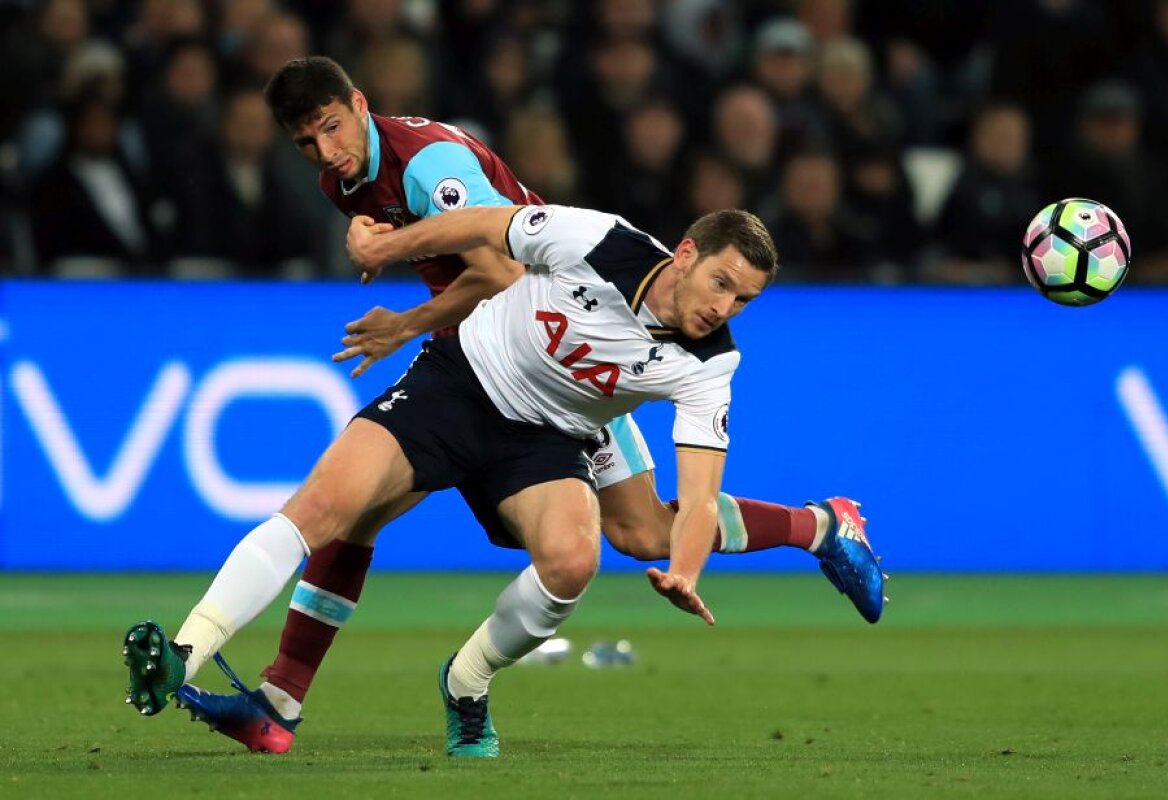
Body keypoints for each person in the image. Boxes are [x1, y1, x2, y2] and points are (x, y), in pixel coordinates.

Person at [125, 56, 886, 754]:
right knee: (336, 506)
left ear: (359, 105)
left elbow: (495, 268)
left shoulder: (434, 168)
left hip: (566, 403)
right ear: (684, 256)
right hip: (478, 369)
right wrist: (401, 275)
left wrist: (400, 315)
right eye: (307, 140)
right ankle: (228, 673)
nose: (324, 151)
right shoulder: (376, 184)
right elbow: (492, 240)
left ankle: (818, 527)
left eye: (331, 128)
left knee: (630, 535)